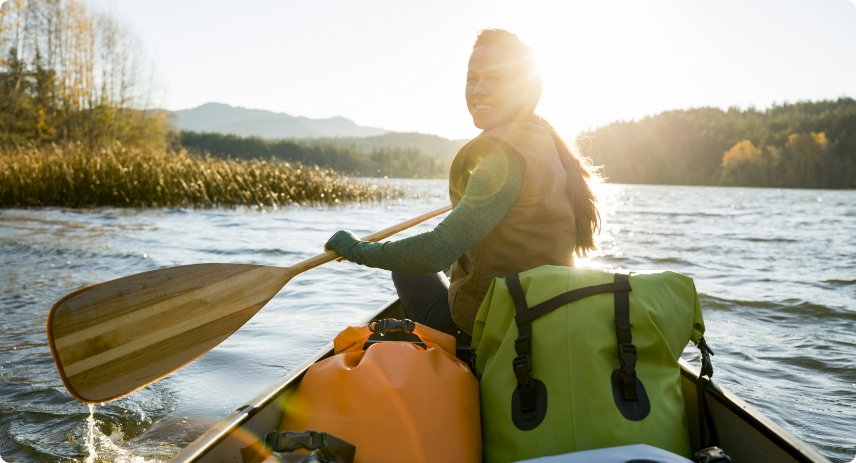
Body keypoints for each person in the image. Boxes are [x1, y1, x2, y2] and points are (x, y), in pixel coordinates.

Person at [324, 29, 600, 343]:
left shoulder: (502, 160)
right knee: (458, 266)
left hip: (493, 339)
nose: (478, 90)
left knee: (409, 271)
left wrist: (356, 249)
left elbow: (435, 252)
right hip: (540, 323)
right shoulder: (546, 143)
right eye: (472, 79)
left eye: (495, 79)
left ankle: (458, 365)